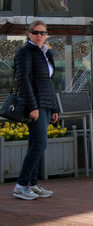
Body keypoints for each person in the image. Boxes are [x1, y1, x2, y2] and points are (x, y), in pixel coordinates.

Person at [12, 20, 59, 200]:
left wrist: (54, 108)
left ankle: (32, 184)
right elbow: (22, 80)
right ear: (28, 33)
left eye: (43, 33)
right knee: (40, 144)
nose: (39, 36)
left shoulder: (45, 53)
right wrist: (32, 106)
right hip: (35, 104)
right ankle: (21, 185)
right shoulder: (25, 52)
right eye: (36, 32)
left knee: (36, 145)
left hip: (46, 104)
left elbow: (49, 82)